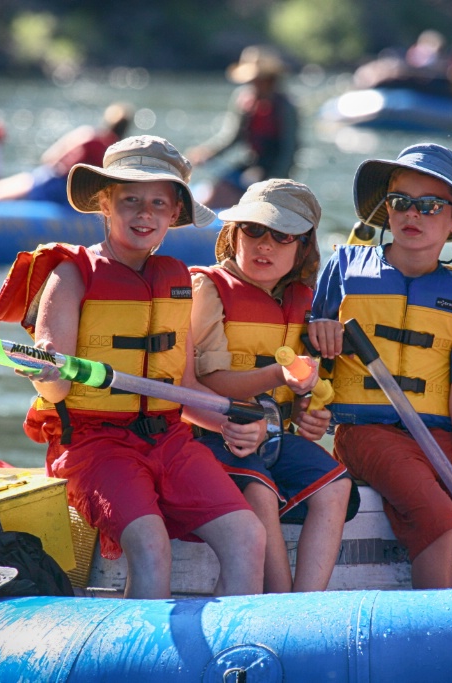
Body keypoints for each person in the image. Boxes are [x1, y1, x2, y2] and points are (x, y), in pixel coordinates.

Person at [0, 135, 266, 599]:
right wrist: (46, 374)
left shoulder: (178, 281)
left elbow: (187, 388)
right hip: (95, 444)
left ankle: (229, 657)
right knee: (151, 545)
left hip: (171, 440)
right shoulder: (72, 273)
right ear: (105, 204)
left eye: (158, 202)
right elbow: (54, 390)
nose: (145, 214)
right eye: (130, 200)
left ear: (175, 212)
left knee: (248, 535)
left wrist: (232, 424)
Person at [308, 143, 452, 589]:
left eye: (429, 206)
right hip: (364, 433)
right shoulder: (343, 271)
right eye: (401, 202)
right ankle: (437, 633)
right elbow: (300, 352)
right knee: (440, 520)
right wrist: (318, 334)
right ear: (386, 209)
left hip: (437, 435)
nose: (412, 215)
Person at [189, 178, 355, 593]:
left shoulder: (308, 301)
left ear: (302, 247)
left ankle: (305, 602)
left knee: (337, 484)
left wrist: (309, 415)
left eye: (282, 236)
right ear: (233, 234)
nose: (266, 244)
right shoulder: (207, 289)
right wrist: (278, 375)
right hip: (214, 435)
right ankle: (280, 606)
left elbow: (303, 395)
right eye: (254, 230)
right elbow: (211, 379)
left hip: (276, 438)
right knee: (261, 494)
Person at [186, 45, 299, 209]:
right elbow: (232, 137)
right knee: (214, 195)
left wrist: (273, 183)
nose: (252, 84)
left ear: (269, 79)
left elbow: (289, 151)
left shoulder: (285, 107)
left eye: (257, 80)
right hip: (250, 165)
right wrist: (206, 152)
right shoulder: (245, 100)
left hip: (272, 171)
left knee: (231, 192)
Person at [0, 103, 132, 212]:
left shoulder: (88, 134)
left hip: (55, 180)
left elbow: (50, 157)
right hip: (69, 191)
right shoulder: (117, 150)